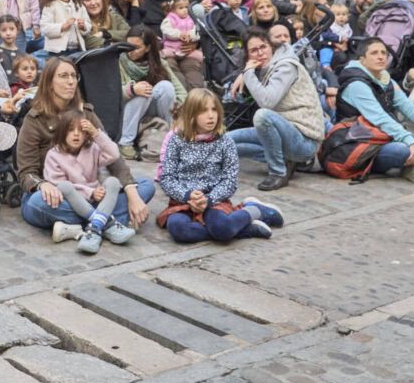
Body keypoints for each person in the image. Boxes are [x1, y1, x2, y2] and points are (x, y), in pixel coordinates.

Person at [17, 57, 156, 232]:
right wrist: (43, 185)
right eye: (63, 76)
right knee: (36, 203)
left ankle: (85, 224)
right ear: (49, 82)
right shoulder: (34, 120)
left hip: (92, 191)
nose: (70, 82)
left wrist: (132, 193)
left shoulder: (86, 113)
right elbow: (26, 172)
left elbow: (113, 158)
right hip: (57, 194)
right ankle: (106, 220)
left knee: (144, 186)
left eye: (74, 76)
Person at [151, 89, 281, 244]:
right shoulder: (177, 141)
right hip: (184, 200)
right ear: (191, 114)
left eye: (214, 110)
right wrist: (187, 196)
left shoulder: (225, 142)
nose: (211, 115)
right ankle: (243, 229)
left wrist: (209, 199)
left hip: (215, 200)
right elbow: (167, 178)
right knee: (179, 229)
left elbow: (229, 180)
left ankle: (254, 210)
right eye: (204, 111)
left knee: (221, 227)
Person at [337, 37, 414, 183]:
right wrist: (409, 141)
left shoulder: (385, 80)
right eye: (374, 53)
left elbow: (410, 109)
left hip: (386, 139)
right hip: (362, 146)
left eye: (384, 53)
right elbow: (380, 118)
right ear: (362, 59)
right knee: (403, 150)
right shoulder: (356, 84)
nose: (381, 57)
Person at [226, 31, 323, 190]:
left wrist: (248, 73)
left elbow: (267, 101)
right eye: (254, 50)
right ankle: (195, 161)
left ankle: (278, 172)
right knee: (226, 141)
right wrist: (245, 73)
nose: (260, 53)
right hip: (283, 131)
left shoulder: (286, 66)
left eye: (263, 47)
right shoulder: (266, 67)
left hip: (304, 140)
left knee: (262, 116)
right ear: (248, 55)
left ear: (271, 47)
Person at [43, 109, 129, 253]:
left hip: (98, 198)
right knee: (62, 187)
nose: (76, 134)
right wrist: (90, 193)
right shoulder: (54, 155)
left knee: (114, 182)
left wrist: (96, 133)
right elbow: (57, 184)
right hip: (73, 201)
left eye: (81, 131)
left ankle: (94, 227)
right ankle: (106, 222)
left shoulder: (92, 148)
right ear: (63, 132)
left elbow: (114, 154)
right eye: (71, 130)